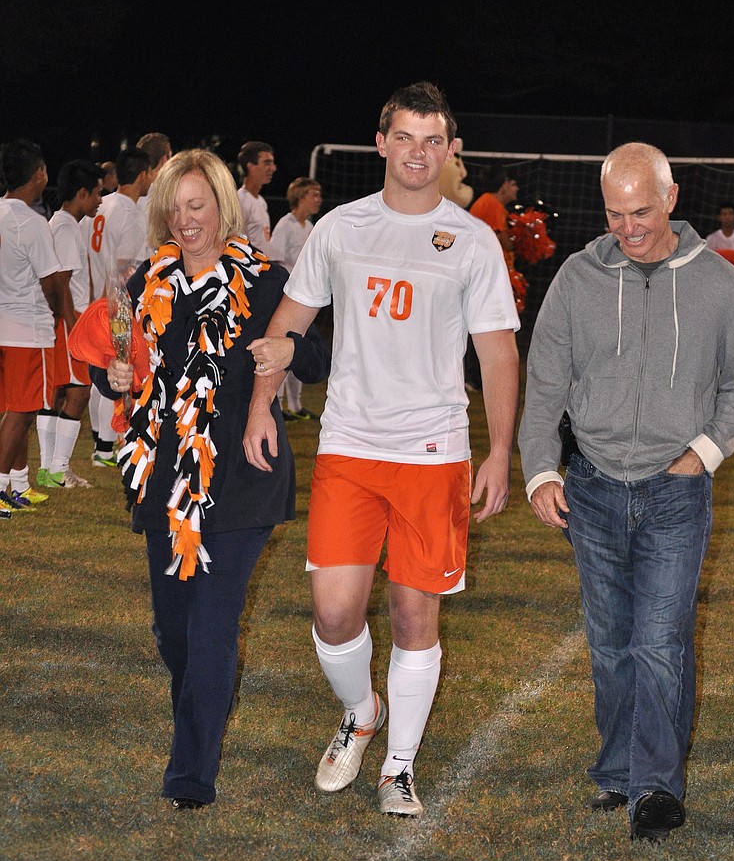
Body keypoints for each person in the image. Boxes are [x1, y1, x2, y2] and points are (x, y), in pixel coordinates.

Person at [243, 81, 520, 818]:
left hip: (434, 452)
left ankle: (399, 765)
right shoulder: (340, 228)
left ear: (450, 150)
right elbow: (288, 323)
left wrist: (499, 453)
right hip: (351, 445)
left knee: (410, 617)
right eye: (406, 137)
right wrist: (259, 408)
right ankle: (362, 711)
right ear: (381, 144)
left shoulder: (474, 239)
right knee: (335, 613)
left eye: (434, 141)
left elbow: (497, 354)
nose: (419, 153)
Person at [518, 142, 734, 842]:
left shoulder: (718, 281)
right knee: (611, 641)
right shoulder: (575, 278)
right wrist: (541, 469)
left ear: (672, 198)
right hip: (592, 488)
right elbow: (546, 384)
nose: (628, 227)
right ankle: (620, 766)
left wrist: (704, 453)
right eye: (615, 213)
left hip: (674, 490)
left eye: (642, 211)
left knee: (659, 639)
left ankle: (655, 787)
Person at [82, 149, 331, 809]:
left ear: (223, 207)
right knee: (174, 631)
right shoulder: (145, 285)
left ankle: (190, 773)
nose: (186, 220)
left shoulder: (269, 281)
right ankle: (198, 715)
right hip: (166, 475)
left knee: (215, 626)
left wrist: (288, 349)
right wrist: (110, 375)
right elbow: (116, 361)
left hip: (243, 474)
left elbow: (321, 349)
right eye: (175, 208)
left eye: (199, 206)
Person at [0, 138, 63, 514]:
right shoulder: (31, 222)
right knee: (22, 411)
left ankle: (14, 484)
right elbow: (52, 283)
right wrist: (55, 317)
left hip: (3, 326)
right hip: (27, 328)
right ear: (38, 174)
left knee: (13, 409)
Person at [85, 146, 153, 466]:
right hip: (113, 302)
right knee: (117, 373)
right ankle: (104, 447)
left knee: (99, 372)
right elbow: (121, 269)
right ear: (143, 175)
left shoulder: (103, 204)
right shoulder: (132, 215)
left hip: (91, 296)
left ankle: (101, 441)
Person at [39, 158, 103, 488]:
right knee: (78, 393)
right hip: (70, 322)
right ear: (81, 193)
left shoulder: (64, 224)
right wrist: (73, 324)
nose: (100, 200)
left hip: (67, 321)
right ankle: (57, 470)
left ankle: (49, 470)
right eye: (97, 194)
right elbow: (61, 281)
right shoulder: (65, 227)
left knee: (59, 394)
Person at [268, 176, 323, 421]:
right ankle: (277, 405)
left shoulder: (310, 227)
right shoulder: (285, 225)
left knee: (299, 350)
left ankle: (296, 405)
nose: (318, 200)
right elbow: (275, 260)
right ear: (300, 197)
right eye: (314, 194)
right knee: (282, 347)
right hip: (286, 298)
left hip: (305, 300)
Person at [466, 165, 519, 392]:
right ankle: (474, 377)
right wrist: (524, 239)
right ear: (504, 184)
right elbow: (504, 241)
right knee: (485, 329)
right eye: (513, 183)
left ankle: (475, 377)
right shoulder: (491, 204)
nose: (516, 188)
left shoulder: (490, 204)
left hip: (483, 275)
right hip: (482, 277)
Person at [236, 140, 276, 255]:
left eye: (272, 163)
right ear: (250, 166)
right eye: (267, 163)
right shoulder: (240, 201)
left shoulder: (261, 202)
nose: (273, 168)